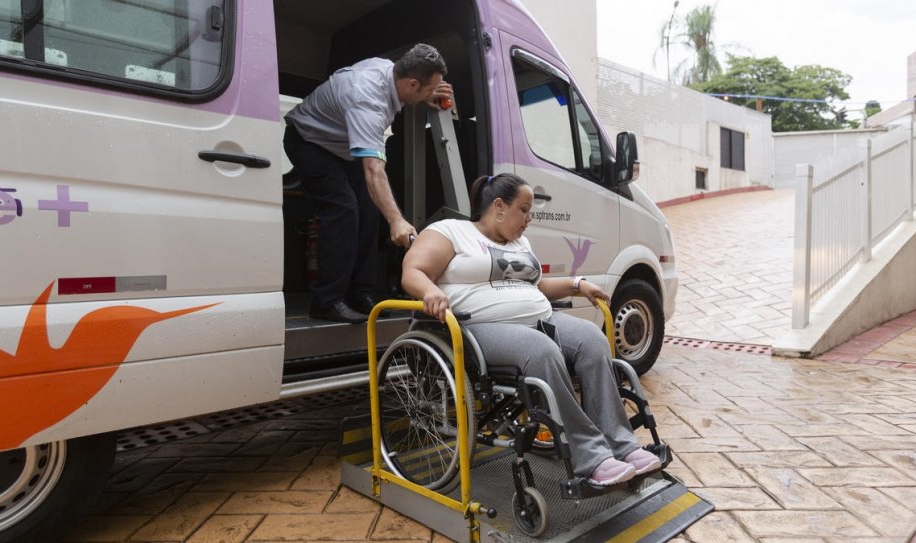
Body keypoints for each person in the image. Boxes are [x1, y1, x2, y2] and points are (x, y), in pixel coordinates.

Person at [401, 173, 662, 486]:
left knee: (593, 340)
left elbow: (538, 286)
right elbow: (413, 271)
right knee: (542, 349)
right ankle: (591, 457)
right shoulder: (451, 232)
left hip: (540, 318)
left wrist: (578, 285)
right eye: (524, 210)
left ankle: (622, 445)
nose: (529, 218)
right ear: (499, 206)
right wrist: (430, 291)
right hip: (478, 329)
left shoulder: (519, 243)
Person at [284, 43, 453, 323]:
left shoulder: (389, 70)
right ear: (412, 83)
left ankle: (361, 294)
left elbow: (371, 174)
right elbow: (374, 171)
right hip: (308, 141)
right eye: (429, 88)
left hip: (339, 145)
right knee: (344, 210)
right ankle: (326, 301)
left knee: (369, 210)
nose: (431, 93)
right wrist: (397, 221)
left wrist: (428, 95)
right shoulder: (368, 100)